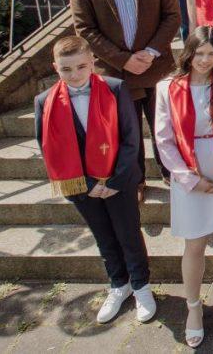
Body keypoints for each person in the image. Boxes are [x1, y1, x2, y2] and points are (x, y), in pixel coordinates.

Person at [34, 36, 154, 325]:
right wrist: (88, 184)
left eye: (81, 66)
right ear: (55, 68)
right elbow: (47, 147)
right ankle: (118, 283)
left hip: (118, 180)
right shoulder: (44, 102)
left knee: (128, 233)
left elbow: (131, 138)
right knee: (103, 235)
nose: (74, 75)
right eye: (66, 69)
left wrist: (114, 180)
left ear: (92, 63)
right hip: (79, 184)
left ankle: (141, 286)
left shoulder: (115, 88)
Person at [69, 0, 180, 190]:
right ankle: (137, 180)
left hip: (155, 66)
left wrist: (151, 51)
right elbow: (85, 29)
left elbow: (173, 15)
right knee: (125, 132)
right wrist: (124, 59)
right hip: (116, 73)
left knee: (164, 125)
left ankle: (172, 174)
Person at [154, 26, 213, 348]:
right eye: (199, 53)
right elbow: (163, 140)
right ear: (188, 53)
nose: (205, 60)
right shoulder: (168, 87)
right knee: (194, 241)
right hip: (189, 166)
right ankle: (193, 306)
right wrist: (189, 178)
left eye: (212, 54)